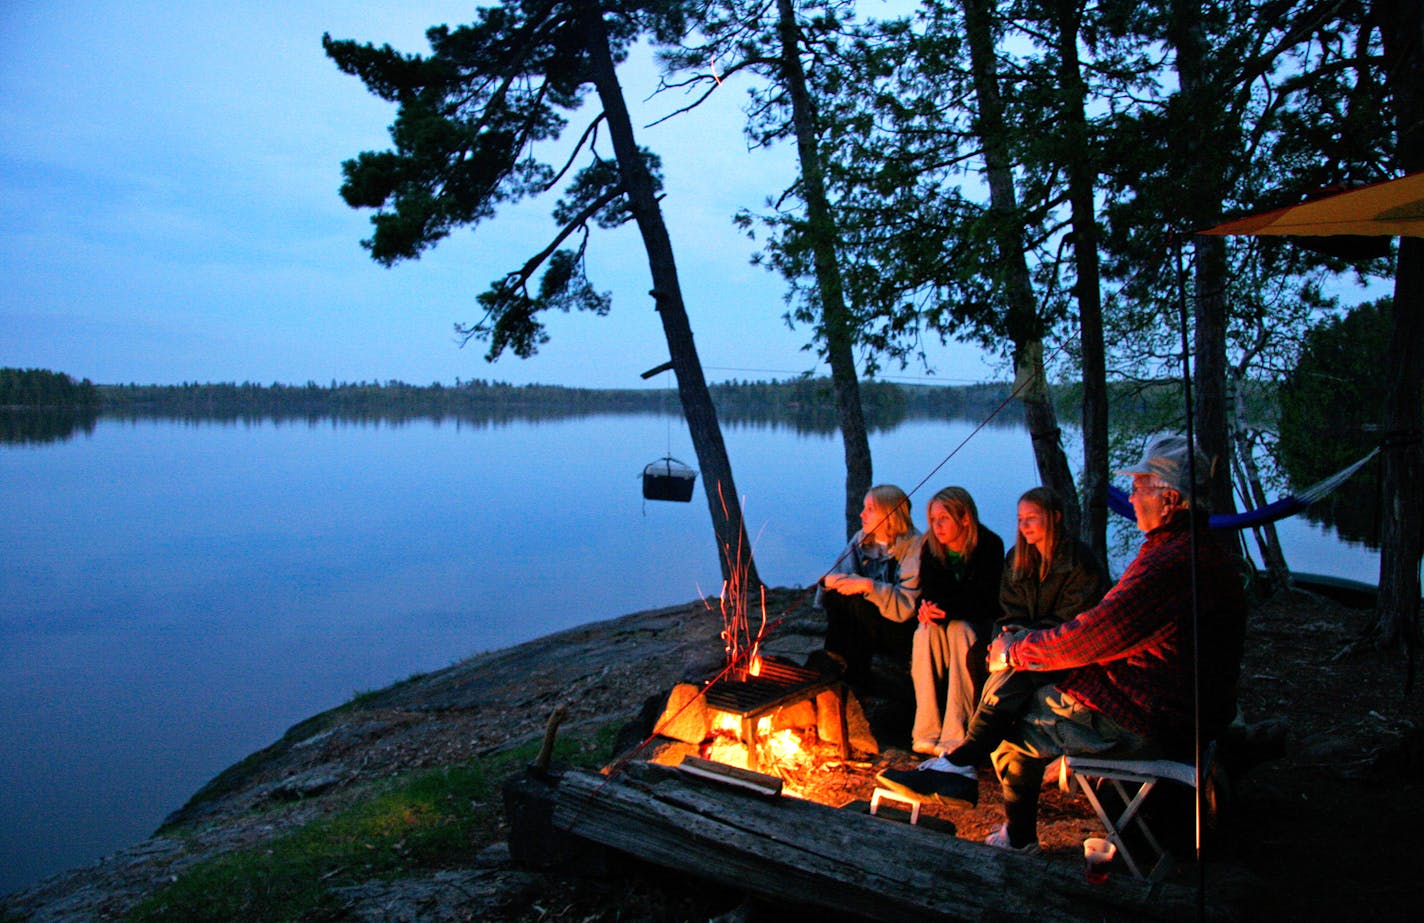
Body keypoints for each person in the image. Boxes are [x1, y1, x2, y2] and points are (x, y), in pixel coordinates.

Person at [972, 435, 1249, 852]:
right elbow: (1111, 628)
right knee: (1046, 681)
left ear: (1170, 499)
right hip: (1188, 705)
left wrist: (1017, 651)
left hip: (1153, 716)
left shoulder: (1169, 563)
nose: (1132, 498)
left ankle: (1018, 835)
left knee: (1013, 731)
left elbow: (1095, 635)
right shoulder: (1199, 550)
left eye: (1139, 487)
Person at [878, 485, 1108, 807]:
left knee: (998, 659)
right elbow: (1007, 608)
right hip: (1023, 642)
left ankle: (962, 756)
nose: (1025, 526)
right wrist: (1006, 633)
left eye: (1033, 518)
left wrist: (1019, 638)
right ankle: (941, 746)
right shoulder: (1018, 557)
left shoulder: (1078, 562)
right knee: (937, 636)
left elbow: (1074, 619)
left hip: (1060, 649)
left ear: (1055, 518)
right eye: (1020, 519)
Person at [906, 486, 1005, 757]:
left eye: (944, 518)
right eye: (933, 520)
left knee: (958, 630)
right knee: (924, 632)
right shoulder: (931, 548)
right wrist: (924, 609)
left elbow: (984, 601)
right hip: (946, 621)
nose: (937, 526)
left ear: (964, 518)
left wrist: (944, 608)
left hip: (980, 626)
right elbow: (930, 592)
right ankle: (926, 730)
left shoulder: (989, 546)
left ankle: (956, 732)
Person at [815, 484, 922, 687]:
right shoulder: (862, 540)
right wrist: (829, 581)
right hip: (862, 624)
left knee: (857, 602)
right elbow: (840, 573)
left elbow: (907, 605)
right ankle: (833, 660)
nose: (862, 514)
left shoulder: (915, 547)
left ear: (889, 514)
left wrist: (868, 587)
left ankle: (855, 677)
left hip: (899, 629)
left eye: (870, 509)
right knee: (837, 596)